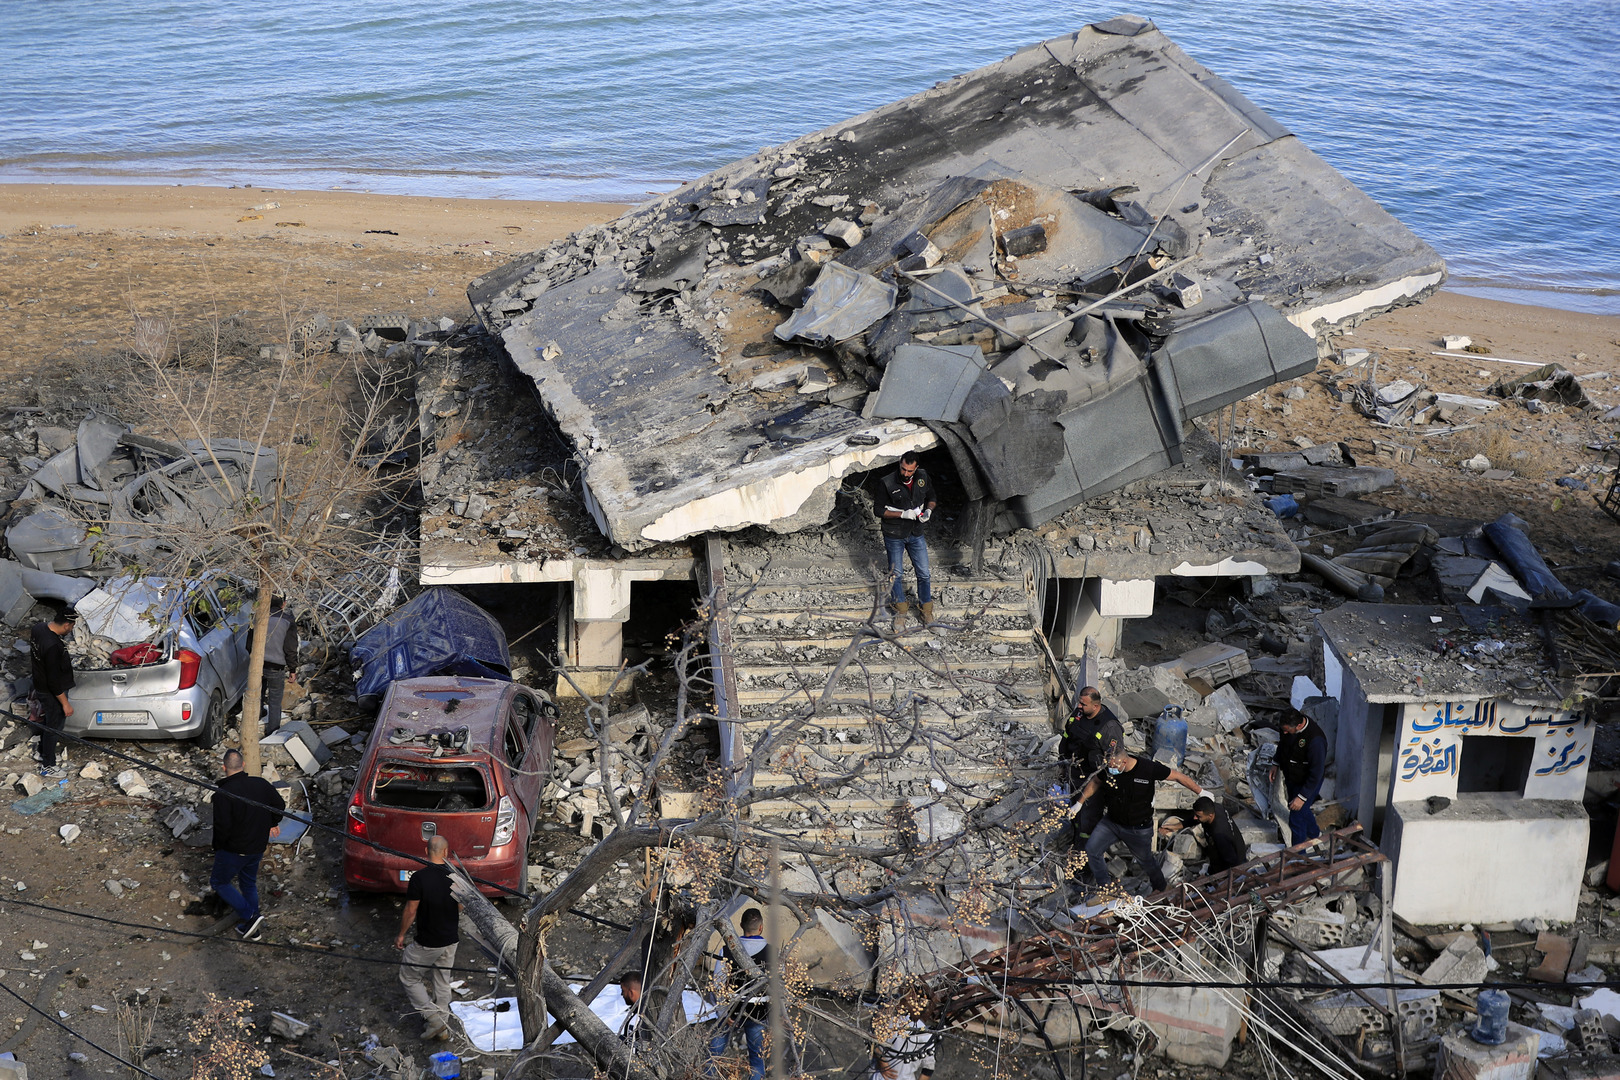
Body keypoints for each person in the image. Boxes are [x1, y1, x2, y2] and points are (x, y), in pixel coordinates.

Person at [1068, 748, 1206, 895]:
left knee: (1146, 861)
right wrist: (1079, 803)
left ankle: (1162, 888)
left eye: (1114, 767)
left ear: (1124, 762)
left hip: (1138, 829)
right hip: (1111, 822)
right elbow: (1096, 780)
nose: (1111, 770)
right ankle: (1106, 890)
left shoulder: (1147, 769)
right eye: (1109, 767)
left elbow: (1177, 776)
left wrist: (1201, 792)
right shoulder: (1110, 767)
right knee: (1092, 850)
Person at [211, 749, 285, 940]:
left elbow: (222, 828)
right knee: (248, 884)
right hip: (258, 846)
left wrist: (217, 848)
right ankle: (252, 929)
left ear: (224, 767)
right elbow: (279, 806)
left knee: (219, 882)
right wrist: (272, 822)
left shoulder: (222, 795)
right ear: (243, 765)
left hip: (234, 850)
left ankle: (250, 916)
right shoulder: (260, 784)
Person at [395, 834, 460, 1041]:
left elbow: (411, 910)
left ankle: (434, 1020)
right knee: (442, 981)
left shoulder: (419, 878)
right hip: (451, 939)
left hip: (428, 942)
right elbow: (461, 905)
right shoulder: (456, 876)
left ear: (426, 852)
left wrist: (402, 934)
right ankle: (442, 1028)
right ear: (446, 852)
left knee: (409, 977)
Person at [875, 452, 937, 633]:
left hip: (916, 532)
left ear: (916, 468)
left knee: (924, 572)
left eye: (910, 470)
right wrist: (903, 514)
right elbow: (879, 510)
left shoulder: (922, 477)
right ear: (899, 465)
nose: (906, 473)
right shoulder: (887, 483)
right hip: (894, 533)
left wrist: (928, 511)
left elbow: (931, 497)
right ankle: (900, 611)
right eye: (903, 469)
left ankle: (926, 610)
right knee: (897, 574)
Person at [708, 908, 770, 1080]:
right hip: (759, 1012)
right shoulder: (773, 953)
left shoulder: (727, 951)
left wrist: (723, 1012)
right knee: (757, 1061)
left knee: (713, 1057)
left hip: (731, 1011)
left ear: (741, 925)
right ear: (761, 927)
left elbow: (717, 983)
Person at [1058, 686, 1125, 833]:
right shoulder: (1078, 714)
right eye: (1079, 703)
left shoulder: (1109, 726)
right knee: (1074, 814)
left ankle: (1086, 851)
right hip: (1074, 772)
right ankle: (1074, 843)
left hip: (1093, 779)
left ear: (1096, 706)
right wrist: (1062, 763)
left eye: (1083, 704)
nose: (1079, 706)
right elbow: (1067, 737)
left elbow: (1117, 758)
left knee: (1088, 820)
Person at [28, 604, 78, 776]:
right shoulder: (52, 647)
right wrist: (65, 704)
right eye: (71, 626)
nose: (71, 629)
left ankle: (42, 752)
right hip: (51, 693)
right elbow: (54, 683)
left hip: (40, 685)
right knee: (54, 727)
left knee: (49, 722)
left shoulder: (39, 628)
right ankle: (48, 765)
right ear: (66, 625)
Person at [1270, 710, 1326, 845]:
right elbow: (1282, 745)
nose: (1284, 733)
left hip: (1308, 782)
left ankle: (1298, 856)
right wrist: (1275, 763)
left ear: (1299, 726)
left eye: (1287, 730)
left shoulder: (1315, 741)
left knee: (1296, 818)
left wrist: (1302, 796)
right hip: (1292, 776)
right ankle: (1316, 835)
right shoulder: (1287, 728)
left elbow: (1316, 773)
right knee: (1300, 809)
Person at [250, 595, 299, 735]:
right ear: (283, 604)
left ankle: (257, 716)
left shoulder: (257, 618)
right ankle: (273, 730)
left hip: (257, 664)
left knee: (257, 693)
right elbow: (290, 649)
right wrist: (292, 669)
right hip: (276, 667)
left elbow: (248, 644)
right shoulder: (288, 621)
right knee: (275, 699)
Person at [871, 996, 935, 1080]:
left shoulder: (888, 1022)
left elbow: (872, 1042)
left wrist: (881, 1060)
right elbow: (928, 1069)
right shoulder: (926, 1033)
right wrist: (882, 1061)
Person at [1189, 796, 1248, 874]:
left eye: (1198, 816)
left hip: (1233, 861)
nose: (1195, 818)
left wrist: (1216, 875)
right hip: (1238, 847)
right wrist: (1179, 825)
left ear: (1210, 815)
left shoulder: (1219, 834)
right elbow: (1196, 819)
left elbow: (1231, 862)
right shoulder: (1216, 807)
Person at [618, 971, 645, 1041]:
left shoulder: (640, 1018)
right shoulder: (636, 1013)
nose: (622, 994)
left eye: (623, 990)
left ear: (631, 992)